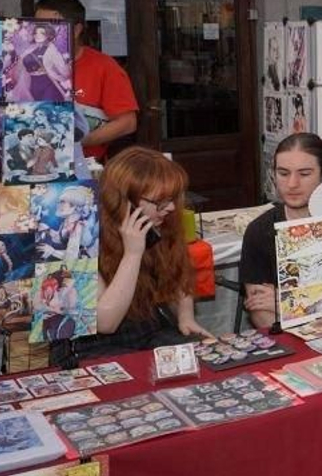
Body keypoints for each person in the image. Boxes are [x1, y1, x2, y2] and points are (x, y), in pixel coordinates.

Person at [54, 148, 208, 365]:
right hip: (89, 344)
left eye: (173, 198)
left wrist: (185, 315)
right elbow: (106, 322)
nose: (171, 208)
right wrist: (133, 254)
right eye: (160, 202)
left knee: (196, 361)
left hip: (147, 330)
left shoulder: (160, 222)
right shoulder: (77, 235)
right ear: (126, 201)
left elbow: (177, 275)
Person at [239, 133, 322, 330]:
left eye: (304, 174)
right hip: (289, 336)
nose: (292, 184)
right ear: (273, 174)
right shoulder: (260, 230)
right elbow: (260, 311)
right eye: (283, 173)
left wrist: (286, 301)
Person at [33, 0, 138, 161]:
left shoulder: (104, 66)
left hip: (86, 165)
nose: (43, 34)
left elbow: (127, 123)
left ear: (76, 30)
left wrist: (77, 141)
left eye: (52, 27)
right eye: (38, 27)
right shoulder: (27, 63)